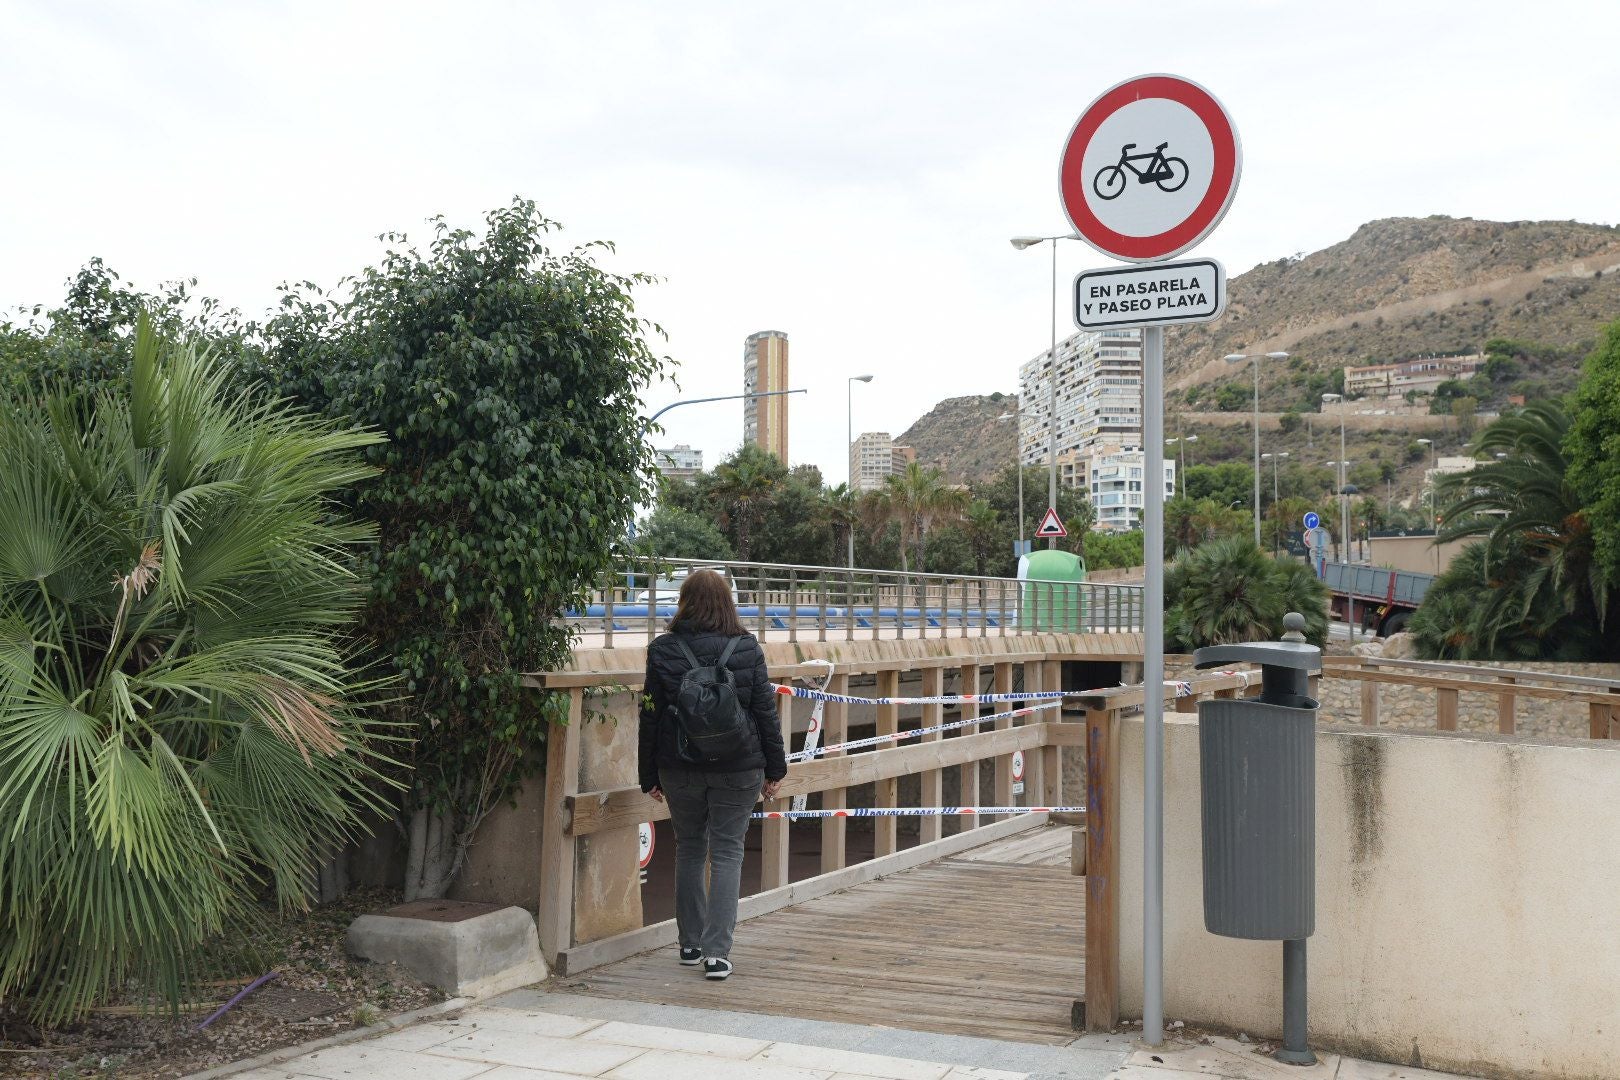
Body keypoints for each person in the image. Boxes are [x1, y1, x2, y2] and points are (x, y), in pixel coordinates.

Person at [638, 569, 787, 980]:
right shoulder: (746, 648)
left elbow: (650, 716)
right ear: (728, 602)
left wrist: (647, 773)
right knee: (726, 852)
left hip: (679, 766)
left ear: (683, 601)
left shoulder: (663, 650)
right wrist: (776, 769)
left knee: (688, 848)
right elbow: (764, 714)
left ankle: (689, 944)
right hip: (739, 766)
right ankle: (717, 955)